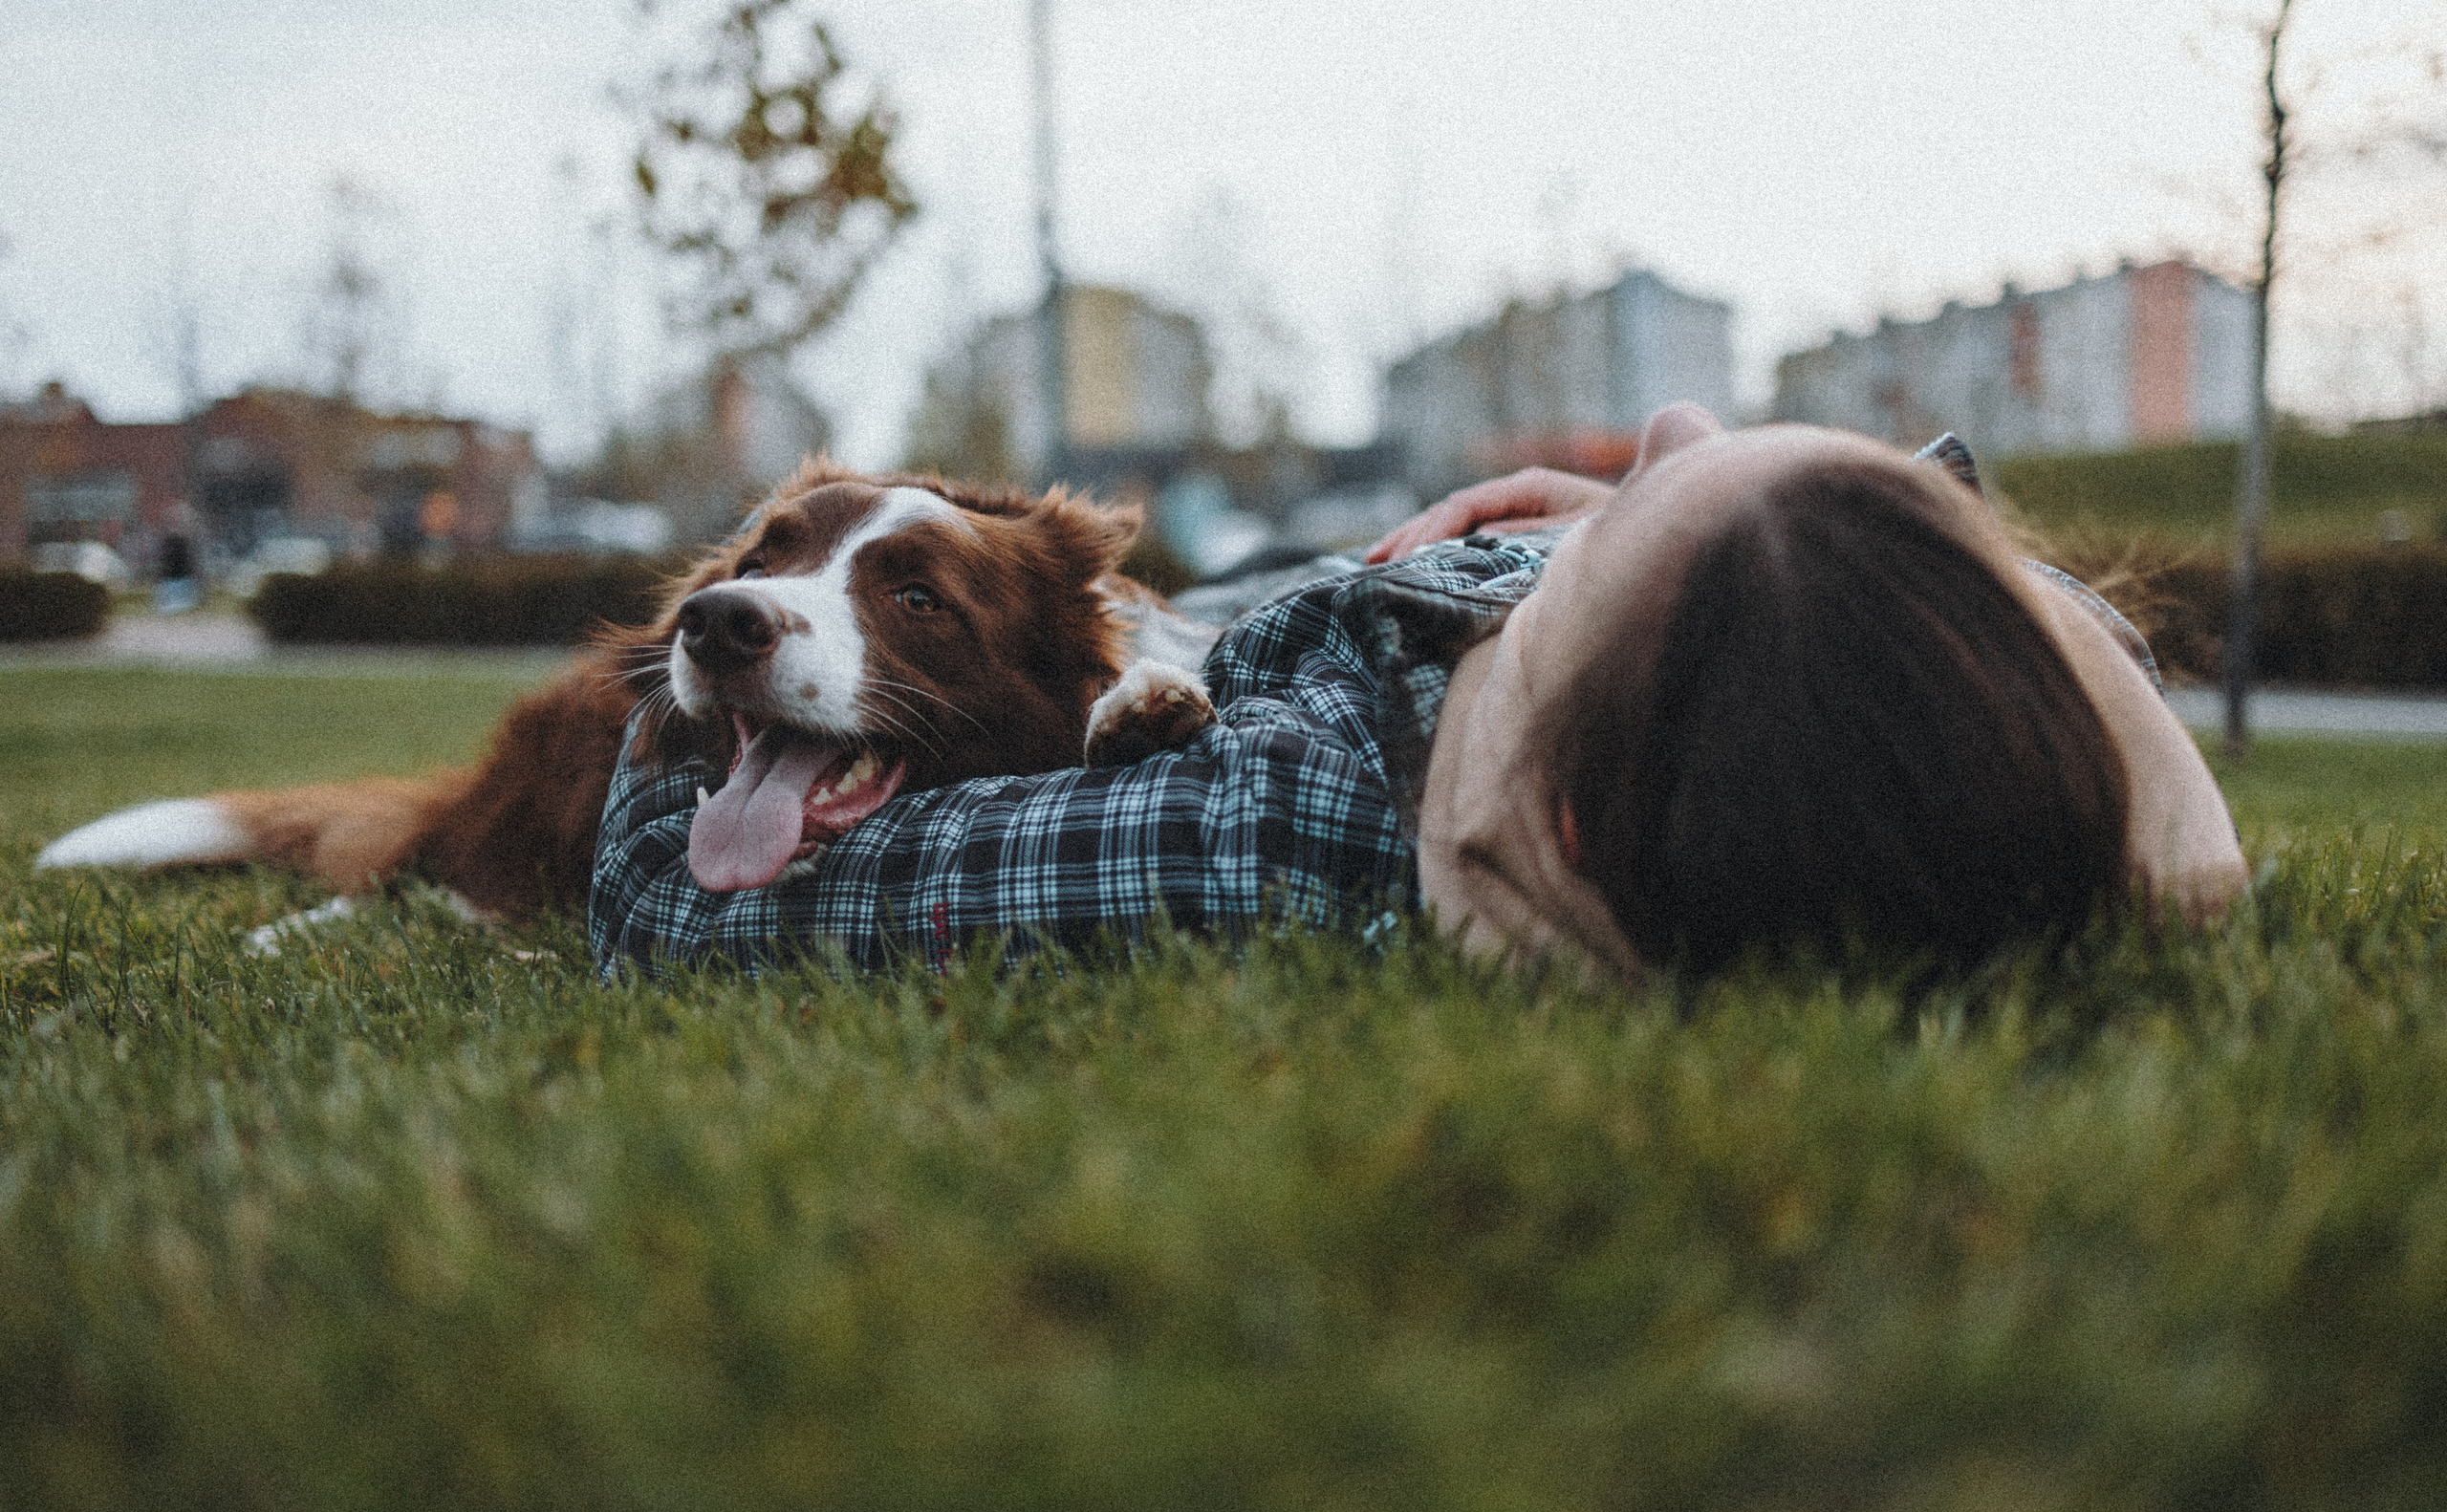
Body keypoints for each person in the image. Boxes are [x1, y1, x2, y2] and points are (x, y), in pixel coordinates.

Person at [590, 406, 2245, 981]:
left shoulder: (1299, 822)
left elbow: (676, 895)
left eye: (1647, 508)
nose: (1668, 422)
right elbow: (2050, 626)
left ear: (1565, 810)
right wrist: (1640, 539)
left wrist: (701, 675)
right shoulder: (1801, 703)